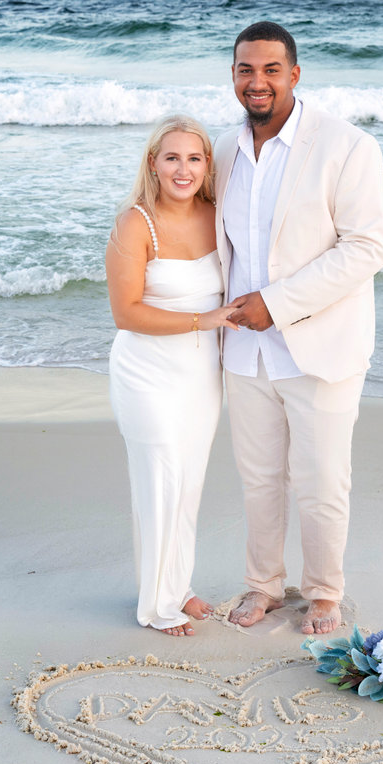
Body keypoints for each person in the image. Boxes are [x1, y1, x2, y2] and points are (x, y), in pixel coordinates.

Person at [217, 22, 383, 635]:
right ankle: (262, 584)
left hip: (319, 346)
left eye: (269, 69)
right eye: (245, 69)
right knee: (259, 479)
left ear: (294, 74)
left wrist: (277, 303)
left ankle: (322, 593)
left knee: (321, 482)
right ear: (233, 76)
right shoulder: (224, 150)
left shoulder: (346, 146)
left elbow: (366, 247)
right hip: (244, 352)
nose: (256, 81)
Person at [106, 115, 239, 636]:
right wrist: (201, 320)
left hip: (201, 370)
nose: (183, 169)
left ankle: (178, 586)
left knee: (189, 481)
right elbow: (127, 312)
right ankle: (157, 606)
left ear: (208, 165)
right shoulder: (135, 223)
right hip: (147, 370)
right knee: (159, 478)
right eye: (172, 158)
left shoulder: (216, 213)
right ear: (153, 163)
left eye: (194, 158)